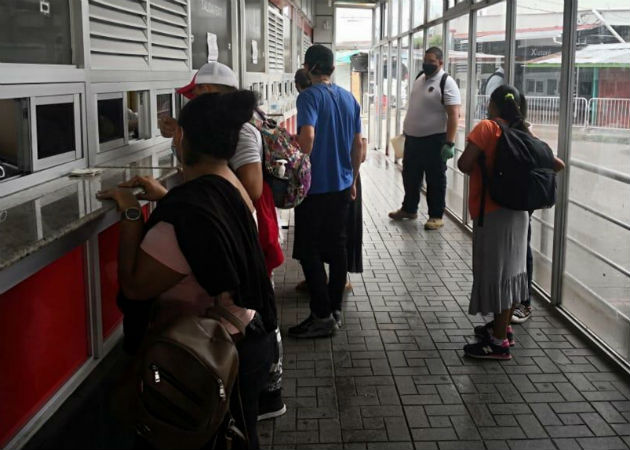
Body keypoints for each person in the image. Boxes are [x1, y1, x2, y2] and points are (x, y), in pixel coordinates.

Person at [97, 91, 277, 449]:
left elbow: (134, 287)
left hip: (208, 358)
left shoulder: (182, 220)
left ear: (181, 137)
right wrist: (166, 197)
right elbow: (208, 230)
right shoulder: (232, 185)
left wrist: (131, 210)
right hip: (247, 337)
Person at [158, 62, 286, 421]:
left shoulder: (241, 133)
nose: (194, 102)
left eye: (200, 95)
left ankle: (267, 393)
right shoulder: (220, 128)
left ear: (219, 95)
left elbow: (253, 187)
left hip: (247, 234)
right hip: (234, 231)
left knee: (256, 312)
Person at [457, 85, 564, 360]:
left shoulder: (487, 128)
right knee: (513, 272)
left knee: (496, 273)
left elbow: (464, 164)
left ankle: (498, 343)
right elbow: (557, 164)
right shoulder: (524, 132)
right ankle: (501, 328)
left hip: (493, 211)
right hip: (519, 213)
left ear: (493, 104)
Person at [288, 45, 363, 338]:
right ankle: (334, 310)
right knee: (337, 245)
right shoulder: (348, 98)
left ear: (309, 67)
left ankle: (321, 315)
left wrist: (294, 158)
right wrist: (353, 179)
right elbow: (357, 145)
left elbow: (307, 137)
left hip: (314, 188)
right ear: (331, 68)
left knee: (308, 249)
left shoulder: (308, 96)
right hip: (342, 185)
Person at [389, 47, 461, 230]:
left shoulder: (446, 82)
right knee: (410, 176)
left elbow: (454, 114)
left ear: (441, 63)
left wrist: (449, 142)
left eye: (432, 61)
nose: (427, 64)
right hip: (413, 139)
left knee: (435, 179)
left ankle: (436, 215)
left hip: (434, 140)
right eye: (425, 60)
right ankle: (409, 209)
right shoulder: (420, 78)